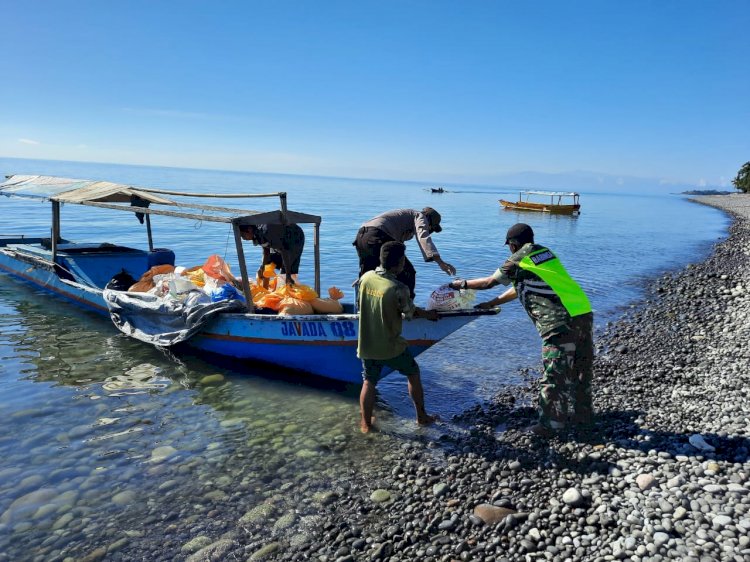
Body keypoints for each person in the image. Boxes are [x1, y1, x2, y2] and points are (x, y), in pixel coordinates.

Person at [449, 223, 594, 436]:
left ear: (513, 244)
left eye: (509, 246)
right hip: (582, 311)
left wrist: (460, 285)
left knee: (555, 373)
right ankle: (584, 417)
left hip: (558, 321)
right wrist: (491, 303)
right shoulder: (545, 253)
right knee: (580, 369)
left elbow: (490, 281)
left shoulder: (521, 256)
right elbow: (520, 287)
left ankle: (550, 425)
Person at [357, 241, 439, 433]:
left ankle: (366, 425)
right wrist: (430, 314)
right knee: (413, 373)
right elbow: (410, 313)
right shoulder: (398, 288)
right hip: (390, 346)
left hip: (367, 344)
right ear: (400, 263)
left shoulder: (366, 278)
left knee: (369, 381)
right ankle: (422, 417)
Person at [353, 207, 456, 299]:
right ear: (429, 221)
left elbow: (396, 247)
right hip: (377, 235)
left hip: (362, 236)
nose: (430, 231)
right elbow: (423, 237)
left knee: (367, 276)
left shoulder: (405, 217)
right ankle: (409, 309)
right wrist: (440, 262)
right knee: (408, 273)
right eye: (431, 228)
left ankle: (361, 307)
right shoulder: (420, 216)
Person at [240, 223, 305, 286]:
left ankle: (289, 283)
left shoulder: (266, 232)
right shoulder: (257, 232)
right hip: (279, 239)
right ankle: (265, 289)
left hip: (294, 237)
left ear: (249, 229)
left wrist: (288, 275)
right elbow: (266, 250)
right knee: (267, 263)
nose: (243, 238)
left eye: (242, 235)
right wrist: (262, 267)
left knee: (285, 272)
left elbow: (284, 252)